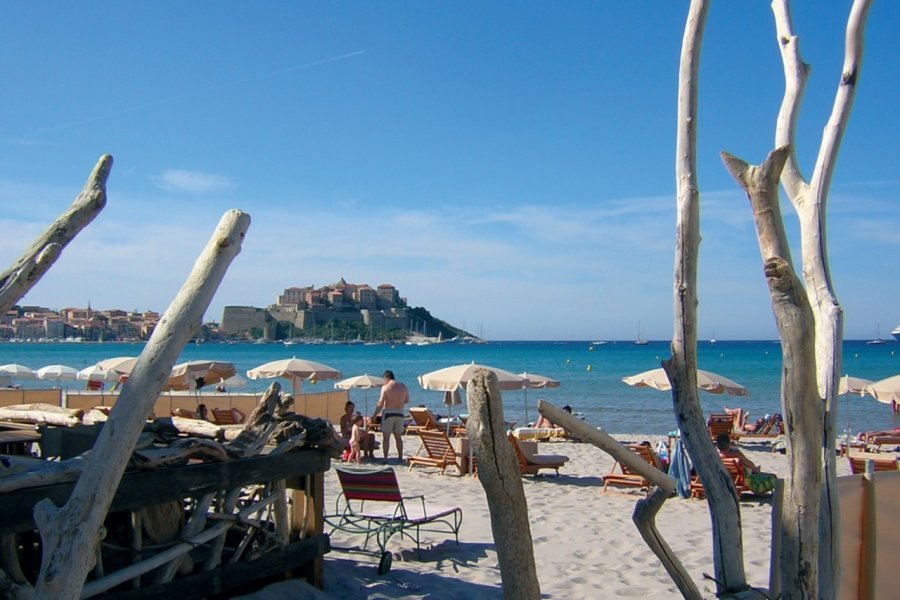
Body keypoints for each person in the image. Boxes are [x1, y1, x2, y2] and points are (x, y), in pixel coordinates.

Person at [373, 370, 409, 461]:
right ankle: (400, 457)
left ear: (386, 378)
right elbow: (406, 400)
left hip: (389, 412)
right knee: (398, 437)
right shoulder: (403, 386)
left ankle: (385, 458)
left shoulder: (385, 387)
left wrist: (374, 415)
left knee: (386, 438)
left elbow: (380, 403)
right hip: (400, 413)